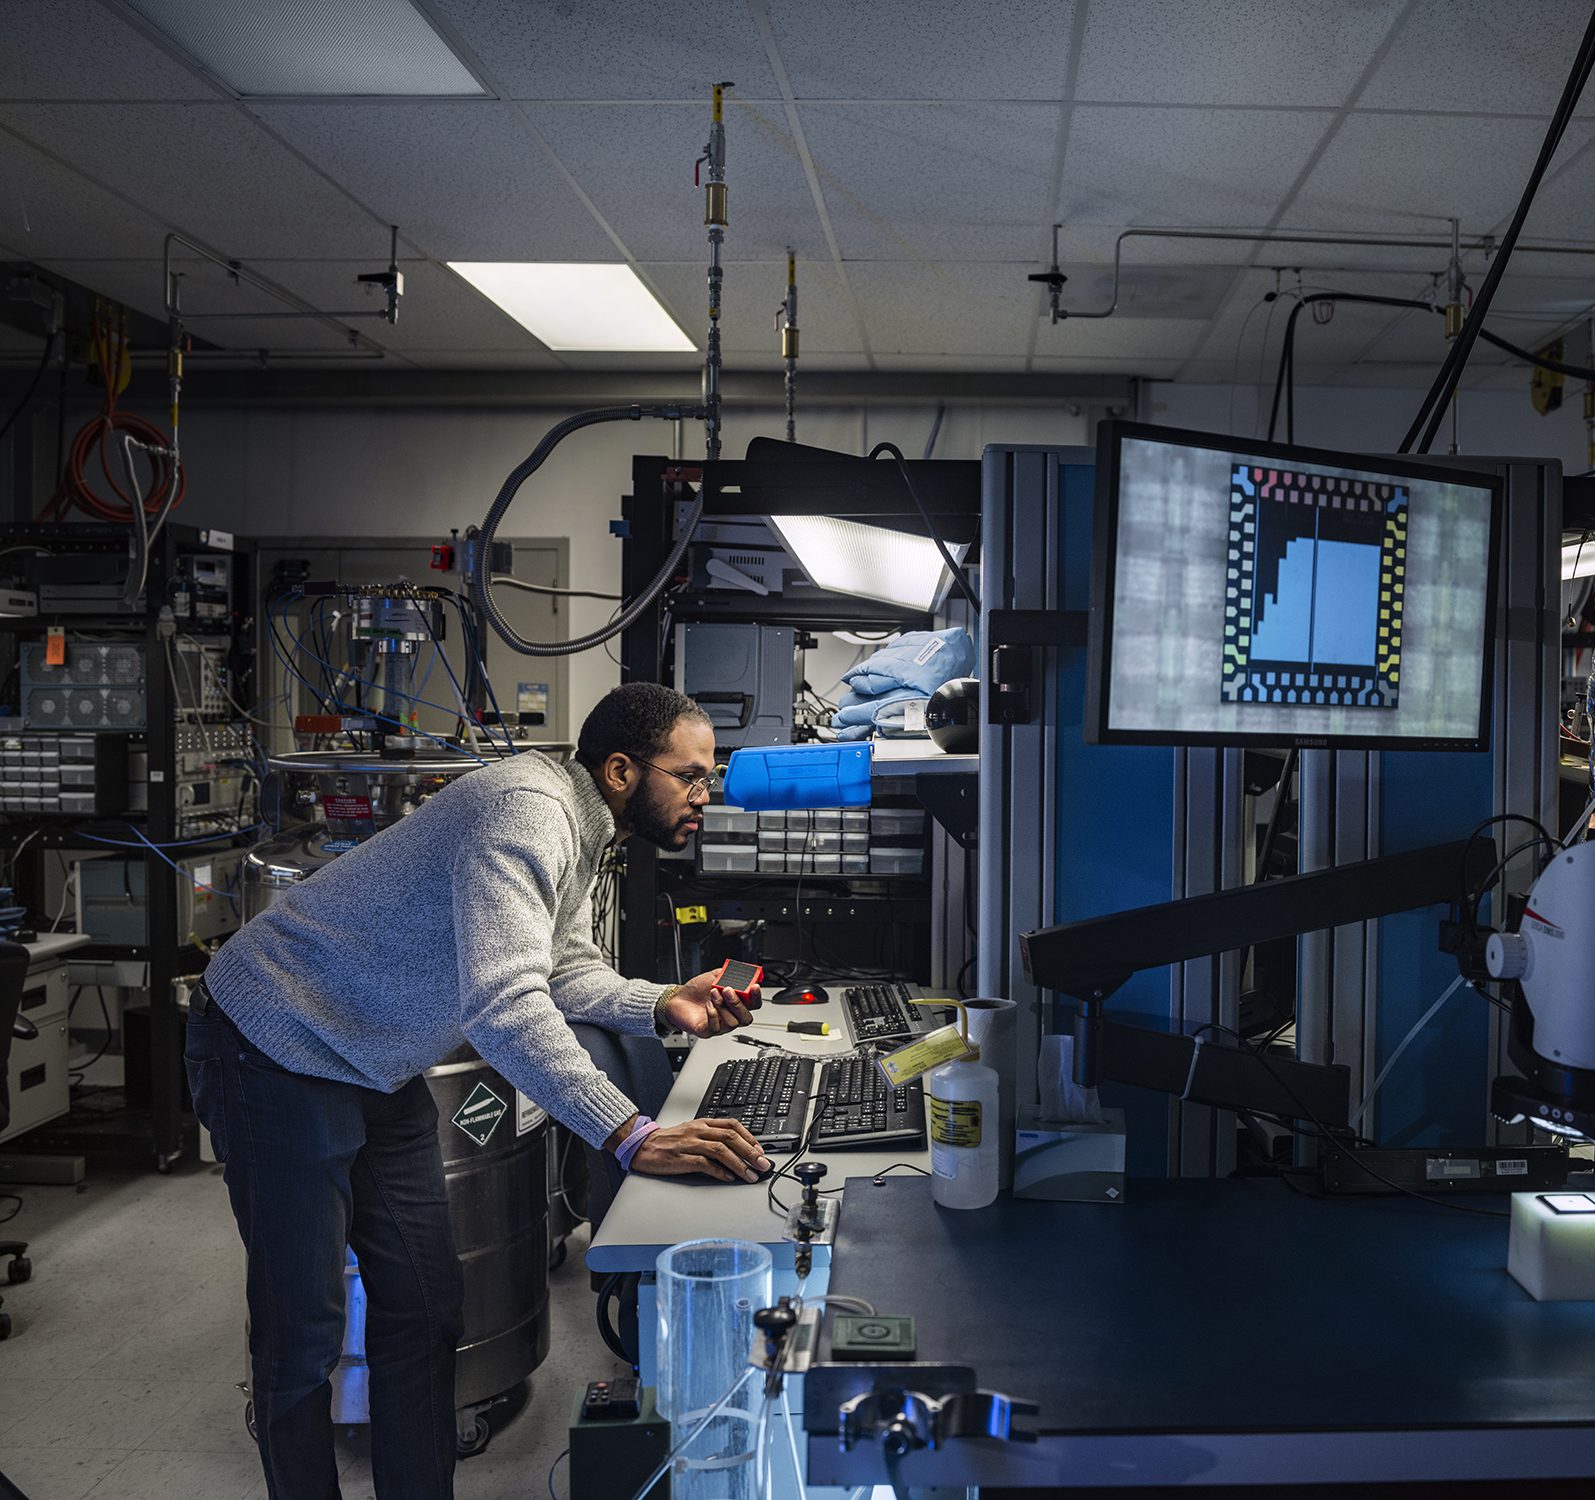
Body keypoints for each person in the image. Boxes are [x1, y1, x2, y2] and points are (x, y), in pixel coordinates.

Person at [187, 682, 766, 1499]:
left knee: (427, 1310)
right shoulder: (527, 812)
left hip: (373, 1060)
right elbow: (503, 1004)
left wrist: (658, 1003)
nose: (707, 796)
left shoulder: (578, 819)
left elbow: (558, 964)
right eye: (694, 776)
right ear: (623, 769)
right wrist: (629, 1133)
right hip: (273, 1041)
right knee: (303, 1333)